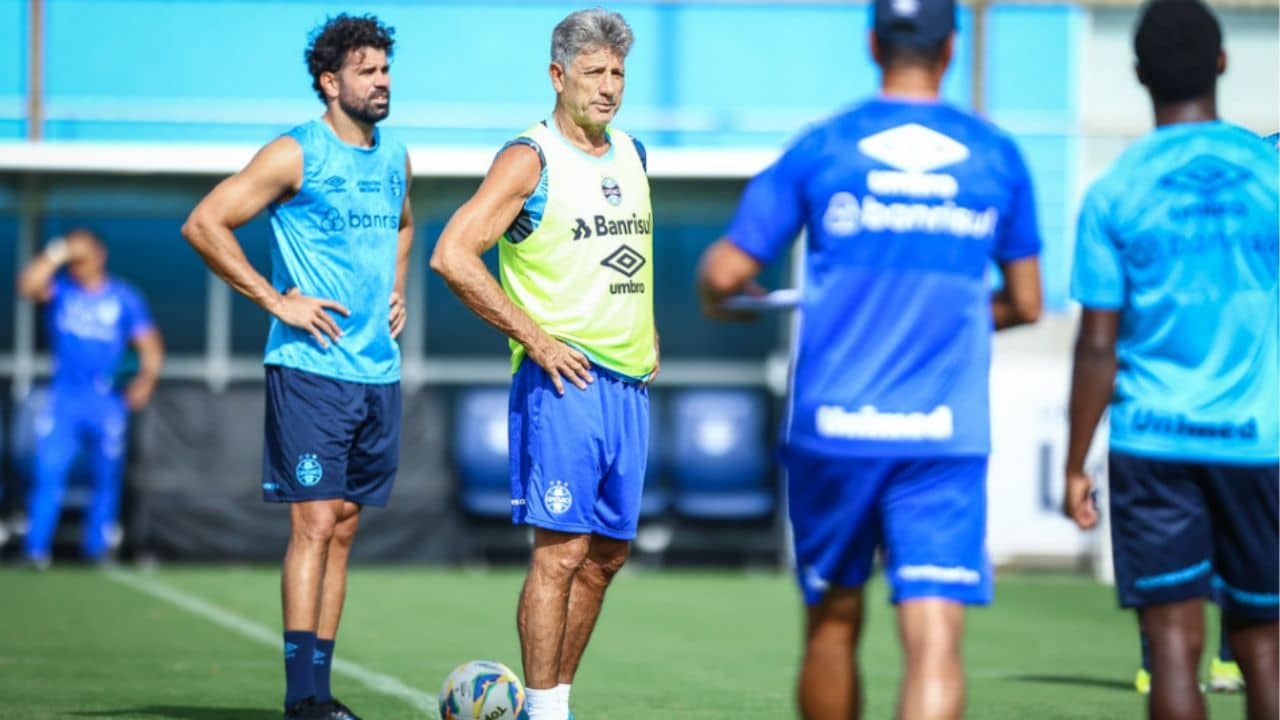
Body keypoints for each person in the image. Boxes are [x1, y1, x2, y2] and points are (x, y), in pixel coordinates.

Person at [696, 0, 1042, 716]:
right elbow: (1028, 302)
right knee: (936, 637)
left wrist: (719, 294)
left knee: (830, 625)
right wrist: (947, 319)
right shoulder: (997, 155)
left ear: (871, 43)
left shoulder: (823, 146)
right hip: (942, 435)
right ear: (951, 49)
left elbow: (726, 275)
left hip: (834, 428)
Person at [181, 14, 411, 720]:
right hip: (310, 371)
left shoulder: (397, 152)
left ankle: (321, 688)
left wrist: (396, 286)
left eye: (385, 69)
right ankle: (300, 697)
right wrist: (275, 298)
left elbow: (404, 223)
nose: (382, 82)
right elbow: (205, 223)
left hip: (379, 371)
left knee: (343, 525)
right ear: (329, 81)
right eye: (367, 71)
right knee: (313, 524)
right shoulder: (294, 153)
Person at [430, 9, 654, 720]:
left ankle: (554, 702)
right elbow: (452, 254)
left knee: (608, 558)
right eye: (595, 72)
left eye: (618, 72)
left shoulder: (634, 152)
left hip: (631, 387)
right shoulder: (529, 158)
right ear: (559, 77)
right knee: (560, 554)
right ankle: (546, 713)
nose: (610, 86)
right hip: (564, 383)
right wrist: (537, 339)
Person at [1062, 1, 1279, 719]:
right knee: (1266, 646)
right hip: (1260, 441)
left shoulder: (1115, 190)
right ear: (1222, 63)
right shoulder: (1268, 173)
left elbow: (1097, 342)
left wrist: (1074, 462)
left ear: (1138, 74)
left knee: (1175, 643)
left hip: (1153, 441)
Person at [15, 228, 165, 568]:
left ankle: (97, 548)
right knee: (48, 472)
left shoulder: (124, 298)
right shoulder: (62, 291)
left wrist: (145, 380)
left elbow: (149, 345)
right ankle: (35, 549)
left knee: (106, 476)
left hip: (107, 400)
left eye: (83, 258)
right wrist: (58, 252)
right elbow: (26, 286)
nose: (77, 266)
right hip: (64, 398)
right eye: (74, 260)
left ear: (100, 256)